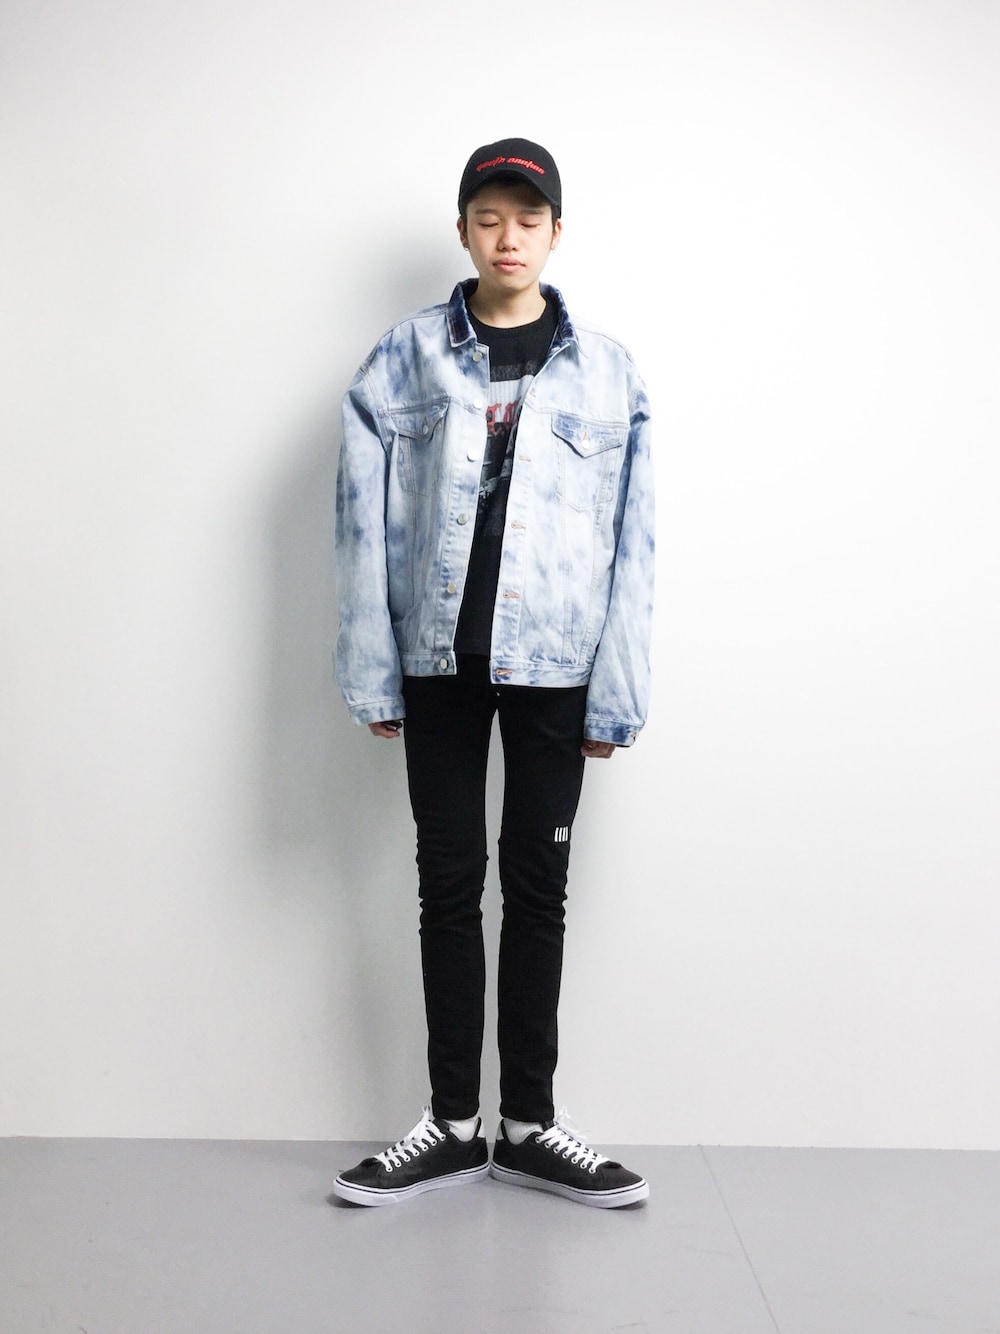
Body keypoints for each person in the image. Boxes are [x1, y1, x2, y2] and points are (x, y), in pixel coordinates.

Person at [331, 138, 654, 1208]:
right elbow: (360, 523)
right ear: (464, 230)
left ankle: (529, 1124)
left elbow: (635, 543)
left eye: (528, 217)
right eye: (488, 217)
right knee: (446, 886)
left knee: (539, 890)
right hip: (439, 662)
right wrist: (372, 670)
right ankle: (452, 1125)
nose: (508, 236)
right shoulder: (403, 358)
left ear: (556, 232)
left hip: (557, 666)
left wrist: (617, 692)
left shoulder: (608, 371)